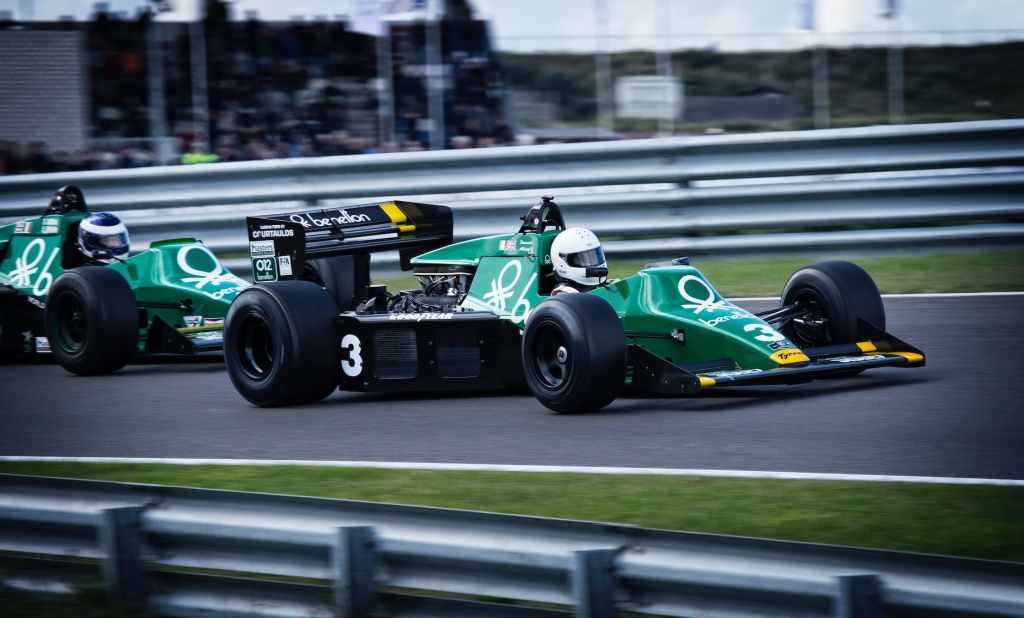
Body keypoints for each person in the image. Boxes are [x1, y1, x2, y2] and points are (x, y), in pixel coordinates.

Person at [550, 227, 608, 295]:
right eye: (583, 260)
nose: (592, 264)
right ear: (562, 263)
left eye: (594, 257)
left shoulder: (608, 285)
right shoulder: (564, 294)